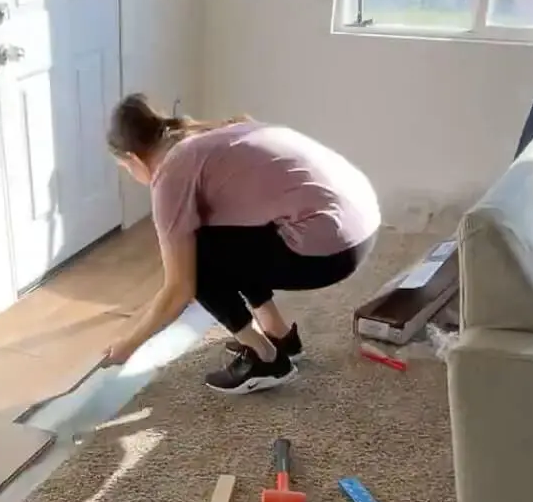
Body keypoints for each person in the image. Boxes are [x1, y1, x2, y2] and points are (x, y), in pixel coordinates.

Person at [101, 95, 380, 394]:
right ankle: (280, 336)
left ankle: (267, 358)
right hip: (362, 224)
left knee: (197, 257)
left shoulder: (172, 172)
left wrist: (127, 345)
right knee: (219, 239)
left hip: (332, 249)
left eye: (124, 167)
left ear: (132, 159)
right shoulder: (213, 135)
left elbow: (179, 290)